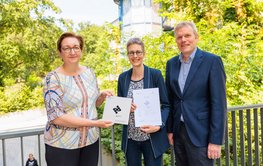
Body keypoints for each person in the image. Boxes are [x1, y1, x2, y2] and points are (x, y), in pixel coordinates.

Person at [43, 32, 113, 166]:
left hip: (90, 142)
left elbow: (93, 105)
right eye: (67, 48)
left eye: (76, 47)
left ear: (81, 50)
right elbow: (56, 117)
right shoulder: (53, 78)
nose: (72, 51)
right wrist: (95, 123)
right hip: (62, 145)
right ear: (60, 52)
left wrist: (101, 96)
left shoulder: (90, 73)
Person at [166, 21, 227, 166]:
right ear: (176, 41)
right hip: (178, 133)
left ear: (196, 37)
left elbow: (219, 104)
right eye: (179, 37)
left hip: (202, 135)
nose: (183, 40)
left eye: (187, 35)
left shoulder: (212, 61)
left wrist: (216, 141)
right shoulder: (171, 64)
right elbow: (170, 99)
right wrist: (169, 130)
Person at [117, 37, 170, 166]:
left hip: (151, 138)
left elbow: (166, 105)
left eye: (138, 52)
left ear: (144, 54)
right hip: (131, 139)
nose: (135, 56)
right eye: (131, 52)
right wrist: (125, 108)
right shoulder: (123, 78)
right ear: (128, 55)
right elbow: (118, 107)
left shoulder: (155, 75)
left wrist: (158, 125)